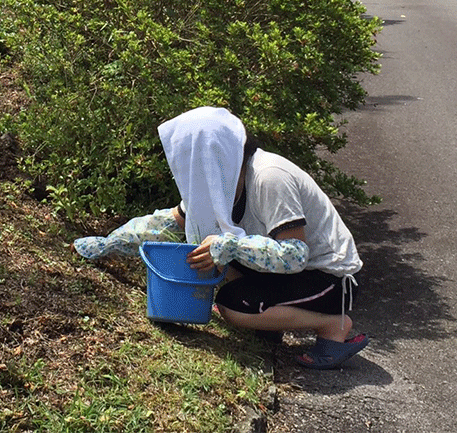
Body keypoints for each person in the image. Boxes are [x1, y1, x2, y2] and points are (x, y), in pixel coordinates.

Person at [74, 106, 369, 369]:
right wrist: (108, 243)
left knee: (233, 306)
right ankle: (270, 322)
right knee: (222, 266)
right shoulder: (219, 186)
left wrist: (229, 245)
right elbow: (165, 223)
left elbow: (295, 254)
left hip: (330, 279)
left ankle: (334, 325)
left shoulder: (269, 177)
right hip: (293, 273)